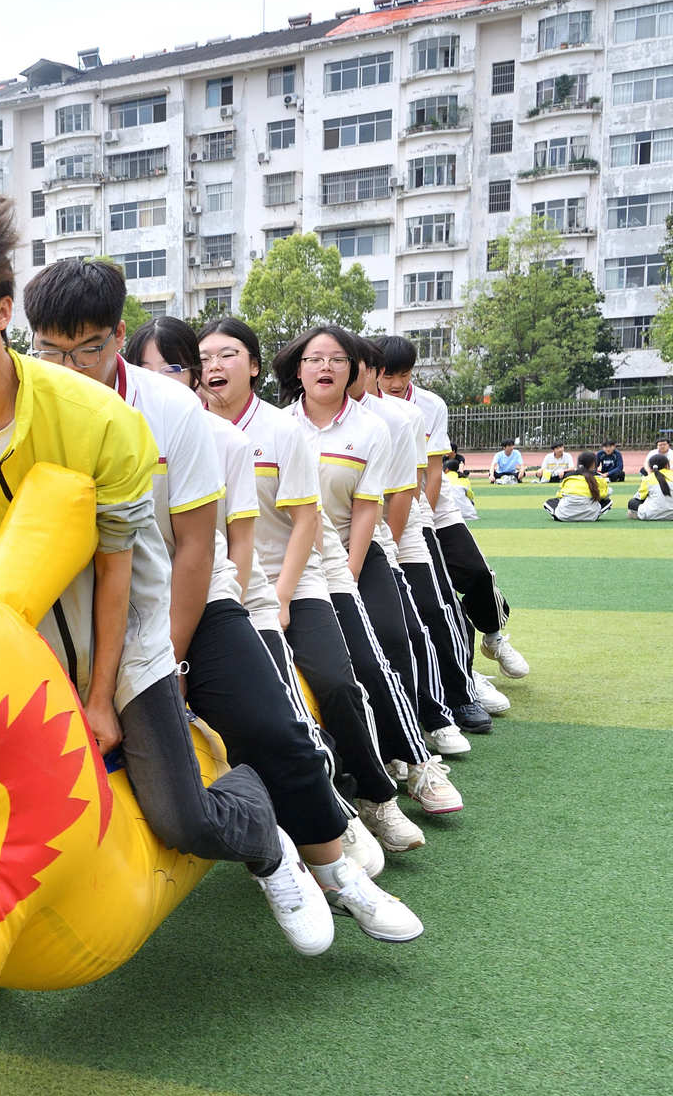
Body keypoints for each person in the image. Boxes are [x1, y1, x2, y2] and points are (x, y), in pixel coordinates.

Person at [0, 194, 339, 954]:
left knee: (180, 818)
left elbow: (118, 563)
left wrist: (100, 696)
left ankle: (262, 833)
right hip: (20, 651)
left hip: (128, 642)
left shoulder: (93, 416)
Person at [28, 272, 408, 945]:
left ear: (118, 336)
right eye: (48, 352)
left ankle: (334, 867)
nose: (66, 368)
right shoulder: (28, 406)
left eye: (83, 350)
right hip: (81, 617)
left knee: (272, 724)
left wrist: (170, 657)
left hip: (192, 603)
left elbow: (198, 551)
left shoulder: (173, 412)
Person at [195, 317, 428, 856]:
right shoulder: (186, 430)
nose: (213, 366)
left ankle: (378, 795)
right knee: (269, 701)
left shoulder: (282, 430)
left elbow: (306, 522)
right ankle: (327, 805)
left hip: (296, 580)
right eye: (203, 357)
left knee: (339, 682)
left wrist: (280, 596)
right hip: (225, 587)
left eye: (227, 354)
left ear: (253, 366)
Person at [277, 328, 464, 817]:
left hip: (353, 549)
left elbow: (369, 509)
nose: (325, 367)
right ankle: (365, 762)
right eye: (314, 358)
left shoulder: (373, 428)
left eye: (337, 359)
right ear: (298, 369)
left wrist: (352, 573)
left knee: (385, 641)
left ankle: (418, 761)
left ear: (354, 370)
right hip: (294, 557)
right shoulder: (277, 427)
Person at [362, 339, 491, 741]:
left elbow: (417, 484)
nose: (393, 381)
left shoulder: (407, 414)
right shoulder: (305, 419)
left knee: (434, 605)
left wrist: (398, 543)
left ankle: (461, 691)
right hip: (348, 531)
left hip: (406, 518)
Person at [543, 452, 612, 520]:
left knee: (550, 502)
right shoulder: (598, 478)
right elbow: (605, 494)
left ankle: (558, 515)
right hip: (591, 516)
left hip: (564, 516)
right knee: (607, 501)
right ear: (594, 464)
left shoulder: (568, 477)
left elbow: (560, 495)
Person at [632, 453, 673, 520]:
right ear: (667, 465)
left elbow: (640, 497)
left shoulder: (647, 478)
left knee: (632, 502)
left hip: (652, 515)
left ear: (650, 467)